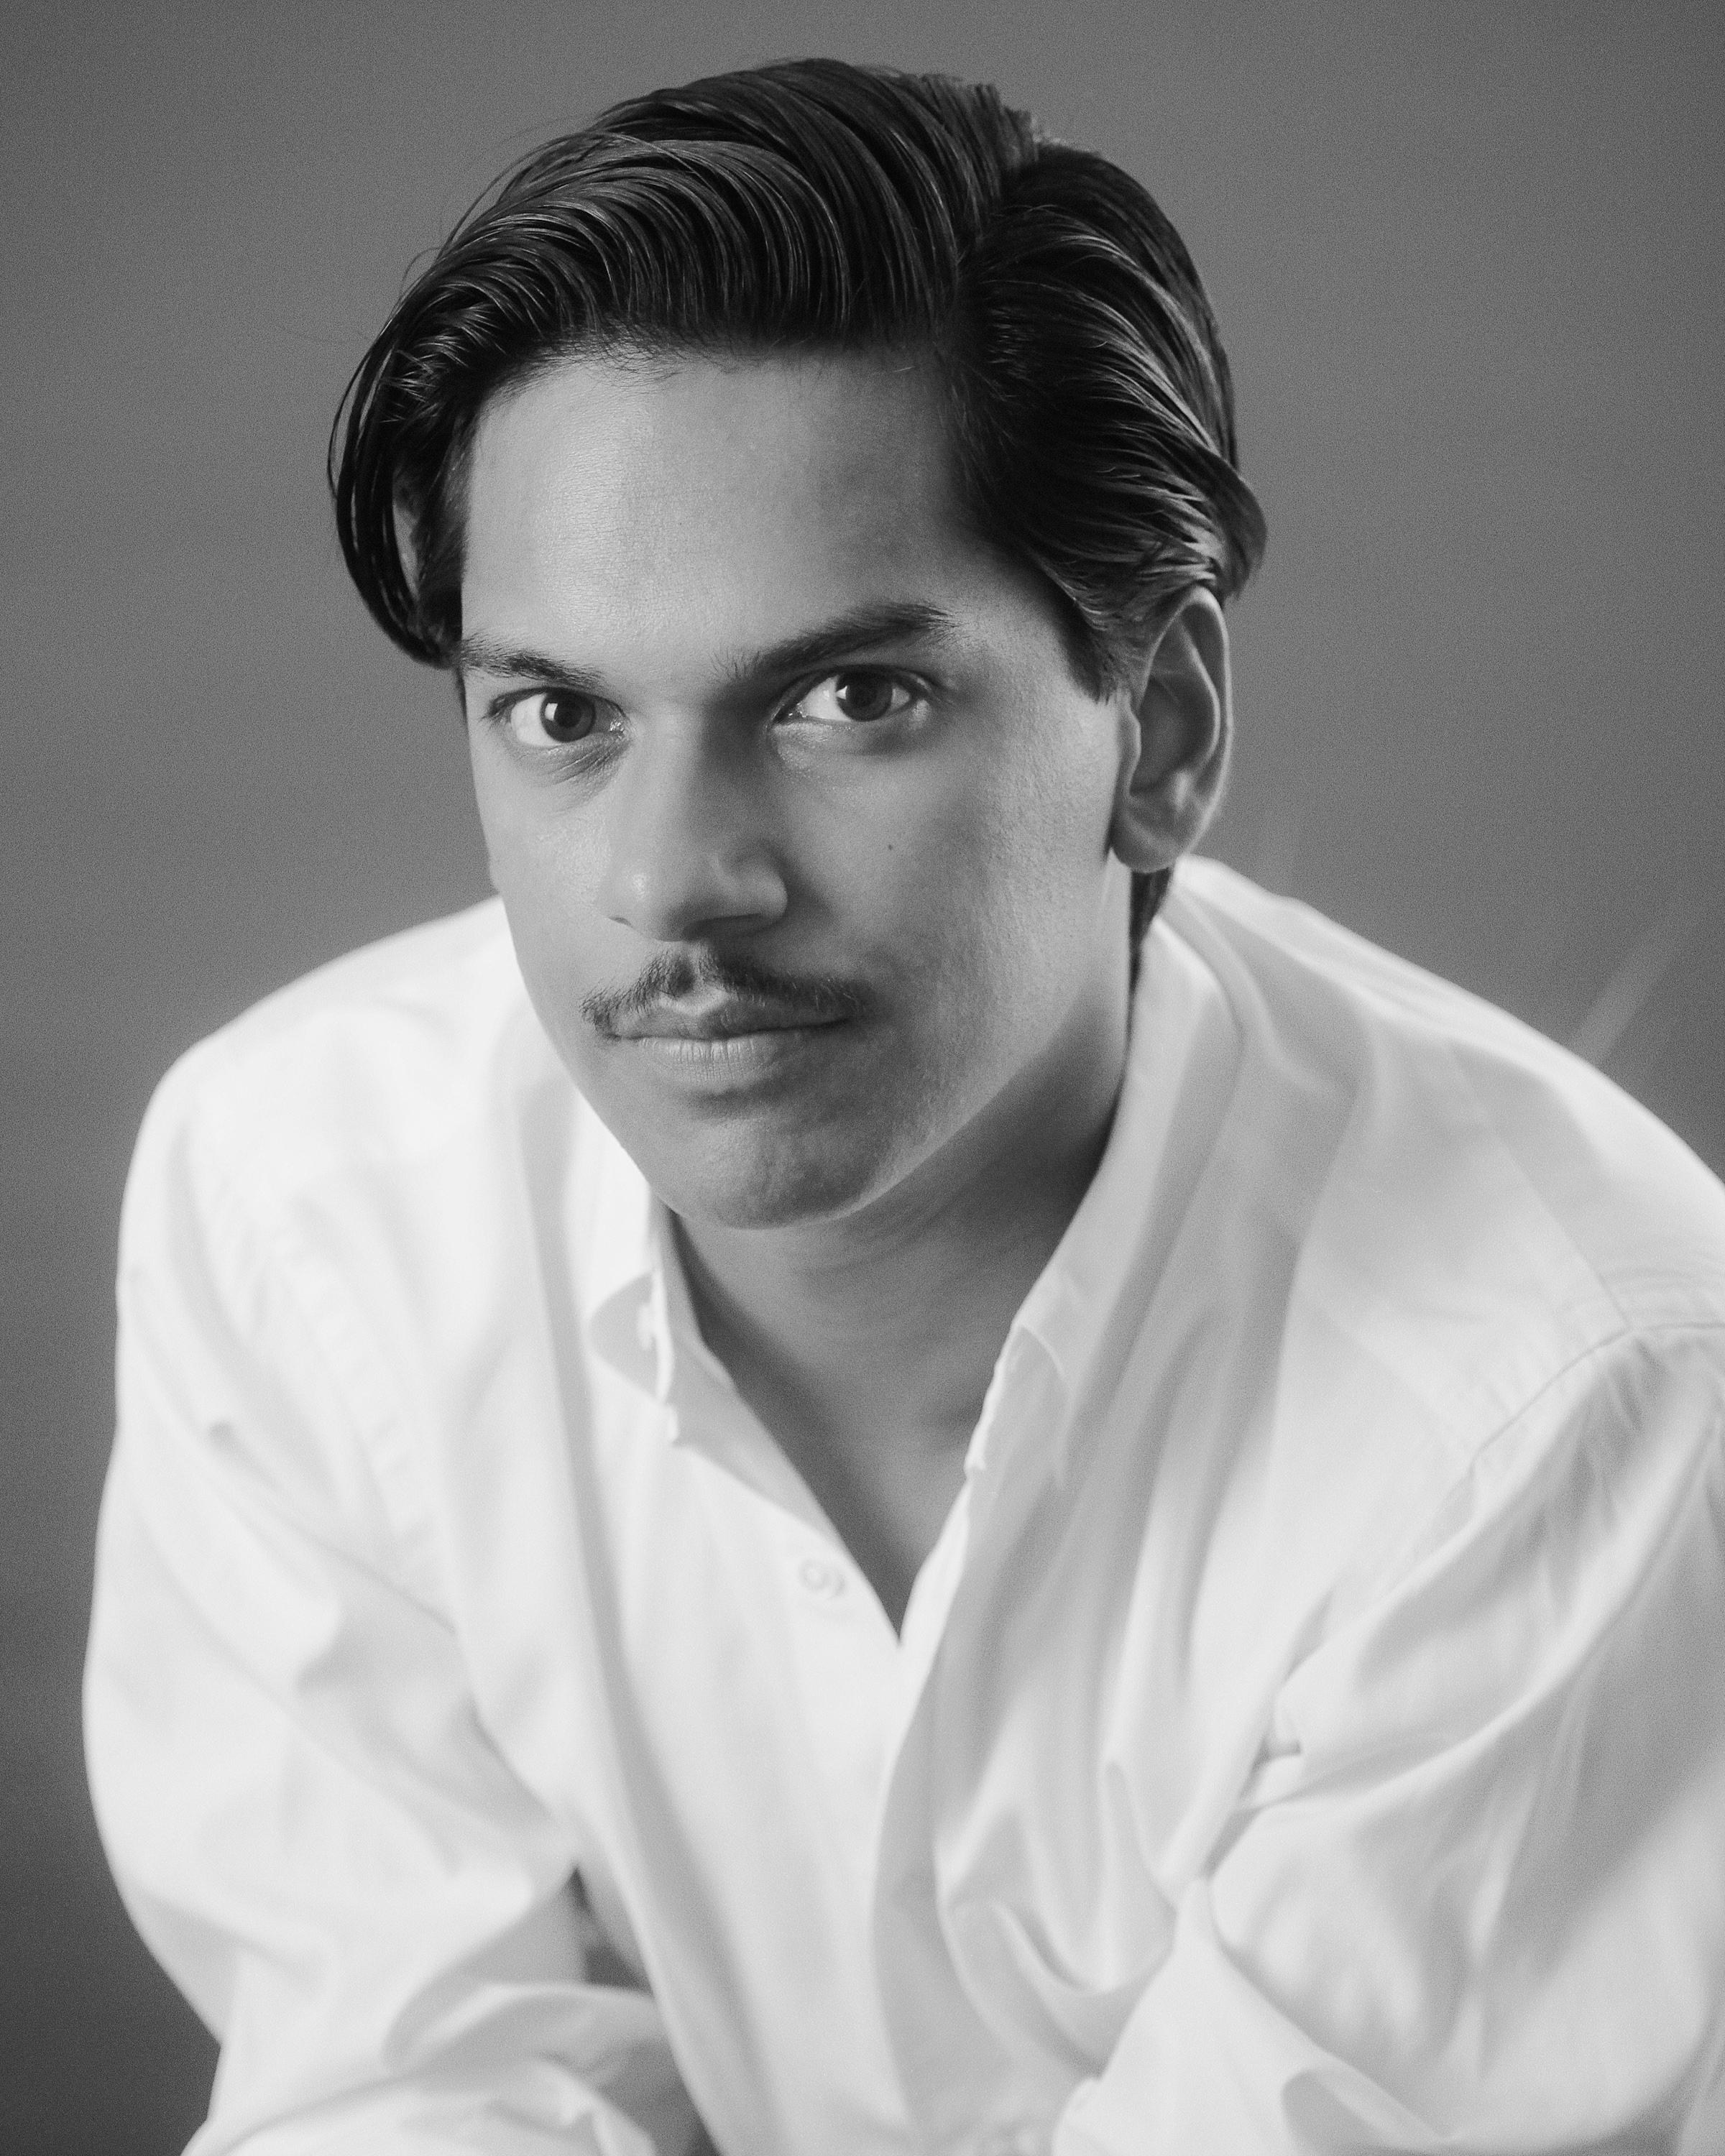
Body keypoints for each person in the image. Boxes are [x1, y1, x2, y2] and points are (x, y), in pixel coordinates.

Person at [84, 55, 1725, 2156]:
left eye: (852, 699)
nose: (674, 882)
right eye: (563, 714)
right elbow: (404, 2100)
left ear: (1160, 734)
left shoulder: (1561, 1406)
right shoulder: (307, 1215)